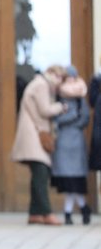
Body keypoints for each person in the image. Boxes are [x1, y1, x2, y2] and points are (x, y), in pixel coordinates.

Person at [12, 64, 67, 225]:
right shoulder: (42, 85)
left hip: (33, 133)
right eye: (59, 77)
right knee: (41, 174)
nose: (59, 83)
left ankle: (35, 213)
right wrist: (60, 107)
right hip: (34, 135)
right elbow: (45, 110)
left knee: (38, 173)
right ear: (51, 74)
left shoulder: (38, 83)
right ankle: (46, 212)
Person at [51, 67, 91, 225]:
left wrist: (69, 118)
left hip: (76, 142)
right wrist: (68, 118)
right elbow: (54, 117)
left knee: (75, 180)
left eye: (72, 78)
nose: (70, 82)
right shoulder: (58, 97)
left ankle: (72, 211)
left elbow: (84, 118)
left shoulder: (81, 98)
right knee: (68, 180)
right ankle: (80, 209)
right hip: (62, 142)